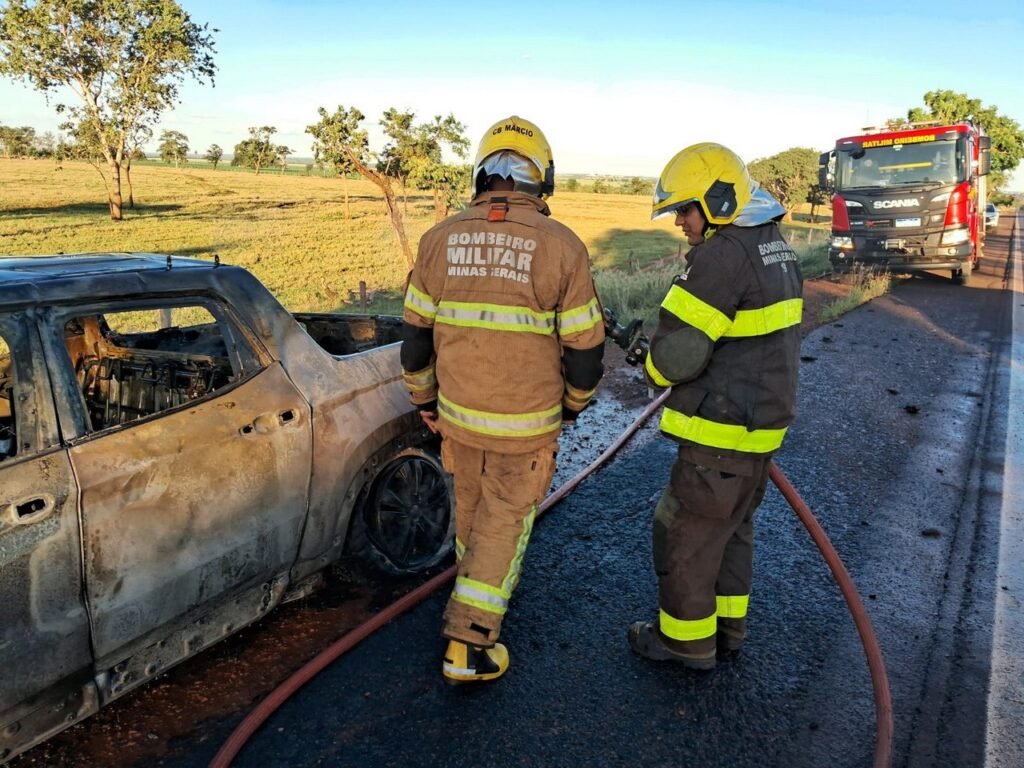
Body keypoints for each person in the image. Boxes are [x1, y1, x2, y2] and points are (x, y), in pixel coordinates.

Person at [401, 115, 605, 684]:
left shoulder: (438, 239)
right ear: (543, 177)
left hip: (457, 419)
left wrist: (424, 400)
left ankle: (472, 586)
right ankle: (468, 645)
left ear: (481, 173)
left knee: (472, 514)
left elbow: (415, 338)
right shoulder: (563, 246)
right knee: (505, 521)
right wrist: (574, 403)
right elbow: (586, 349)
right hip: (526, 426)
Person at [628, 143, 803, 671]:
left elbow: (676, 356)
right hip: (758, 431)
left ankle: (684, 642)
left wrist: (651, 365)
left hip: (721, 434)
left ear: (719, 200)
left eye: (685, 209)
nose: (679, 221)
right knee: (730, 533)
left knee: (682, 532)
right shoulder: (774, 247)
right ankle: (727, 630)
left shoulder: (721, 256)